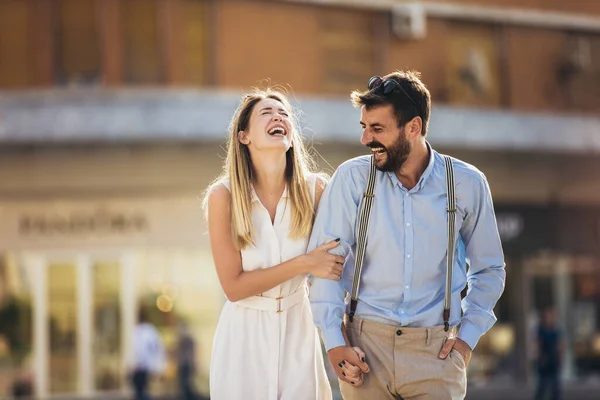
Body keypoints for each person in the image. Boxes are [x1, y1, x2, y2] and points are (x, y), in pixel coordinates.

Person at [308, 70, 506, 399]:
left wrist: (466, 341)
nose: (365, 139)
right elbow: (326, 265)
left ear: (413, 128)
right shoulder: (352, 180)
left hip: (437, 354)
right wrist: (334, 342)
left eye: (378, 129)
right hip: (363, 352)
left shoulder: (467, 184)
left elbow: (489, 269)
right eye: (364, 127)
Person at [203, 88, 338, 399]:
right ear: (244, 136)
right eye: (267, 113)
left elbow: (335, 269)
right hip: (243, 339)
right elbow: (234, 288)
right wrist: (304, 264)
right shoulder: (223, 197)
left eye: (284, 114)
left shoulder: (317, 190)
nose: (279, 117)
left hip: (299, 331)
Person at [129, 308, 166, 400]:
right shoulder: (151, 331)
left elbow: (140, 350)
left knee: (141, 392)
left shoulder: (140, 331)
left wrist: (137, 363)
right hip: (147, 365)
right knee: (142, 391)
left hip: (141, 366)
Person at [534, 308, 563, 400]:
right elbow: (537, 345)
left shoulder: (555, 330)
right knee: (542, 386)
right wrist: (539, 357)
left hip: (553, 360)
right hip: (544, 361)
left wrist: (560, 358)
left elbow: (560, 345)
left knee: (555, 387)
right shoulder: (540, 330)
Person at [177, 322, 199, 400]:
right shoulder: (181, 340)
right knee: (185, 385)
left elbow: (192, 353)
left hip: (186, 364)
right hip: (184, 364)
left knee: (187, 384)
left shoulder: (188, 340)